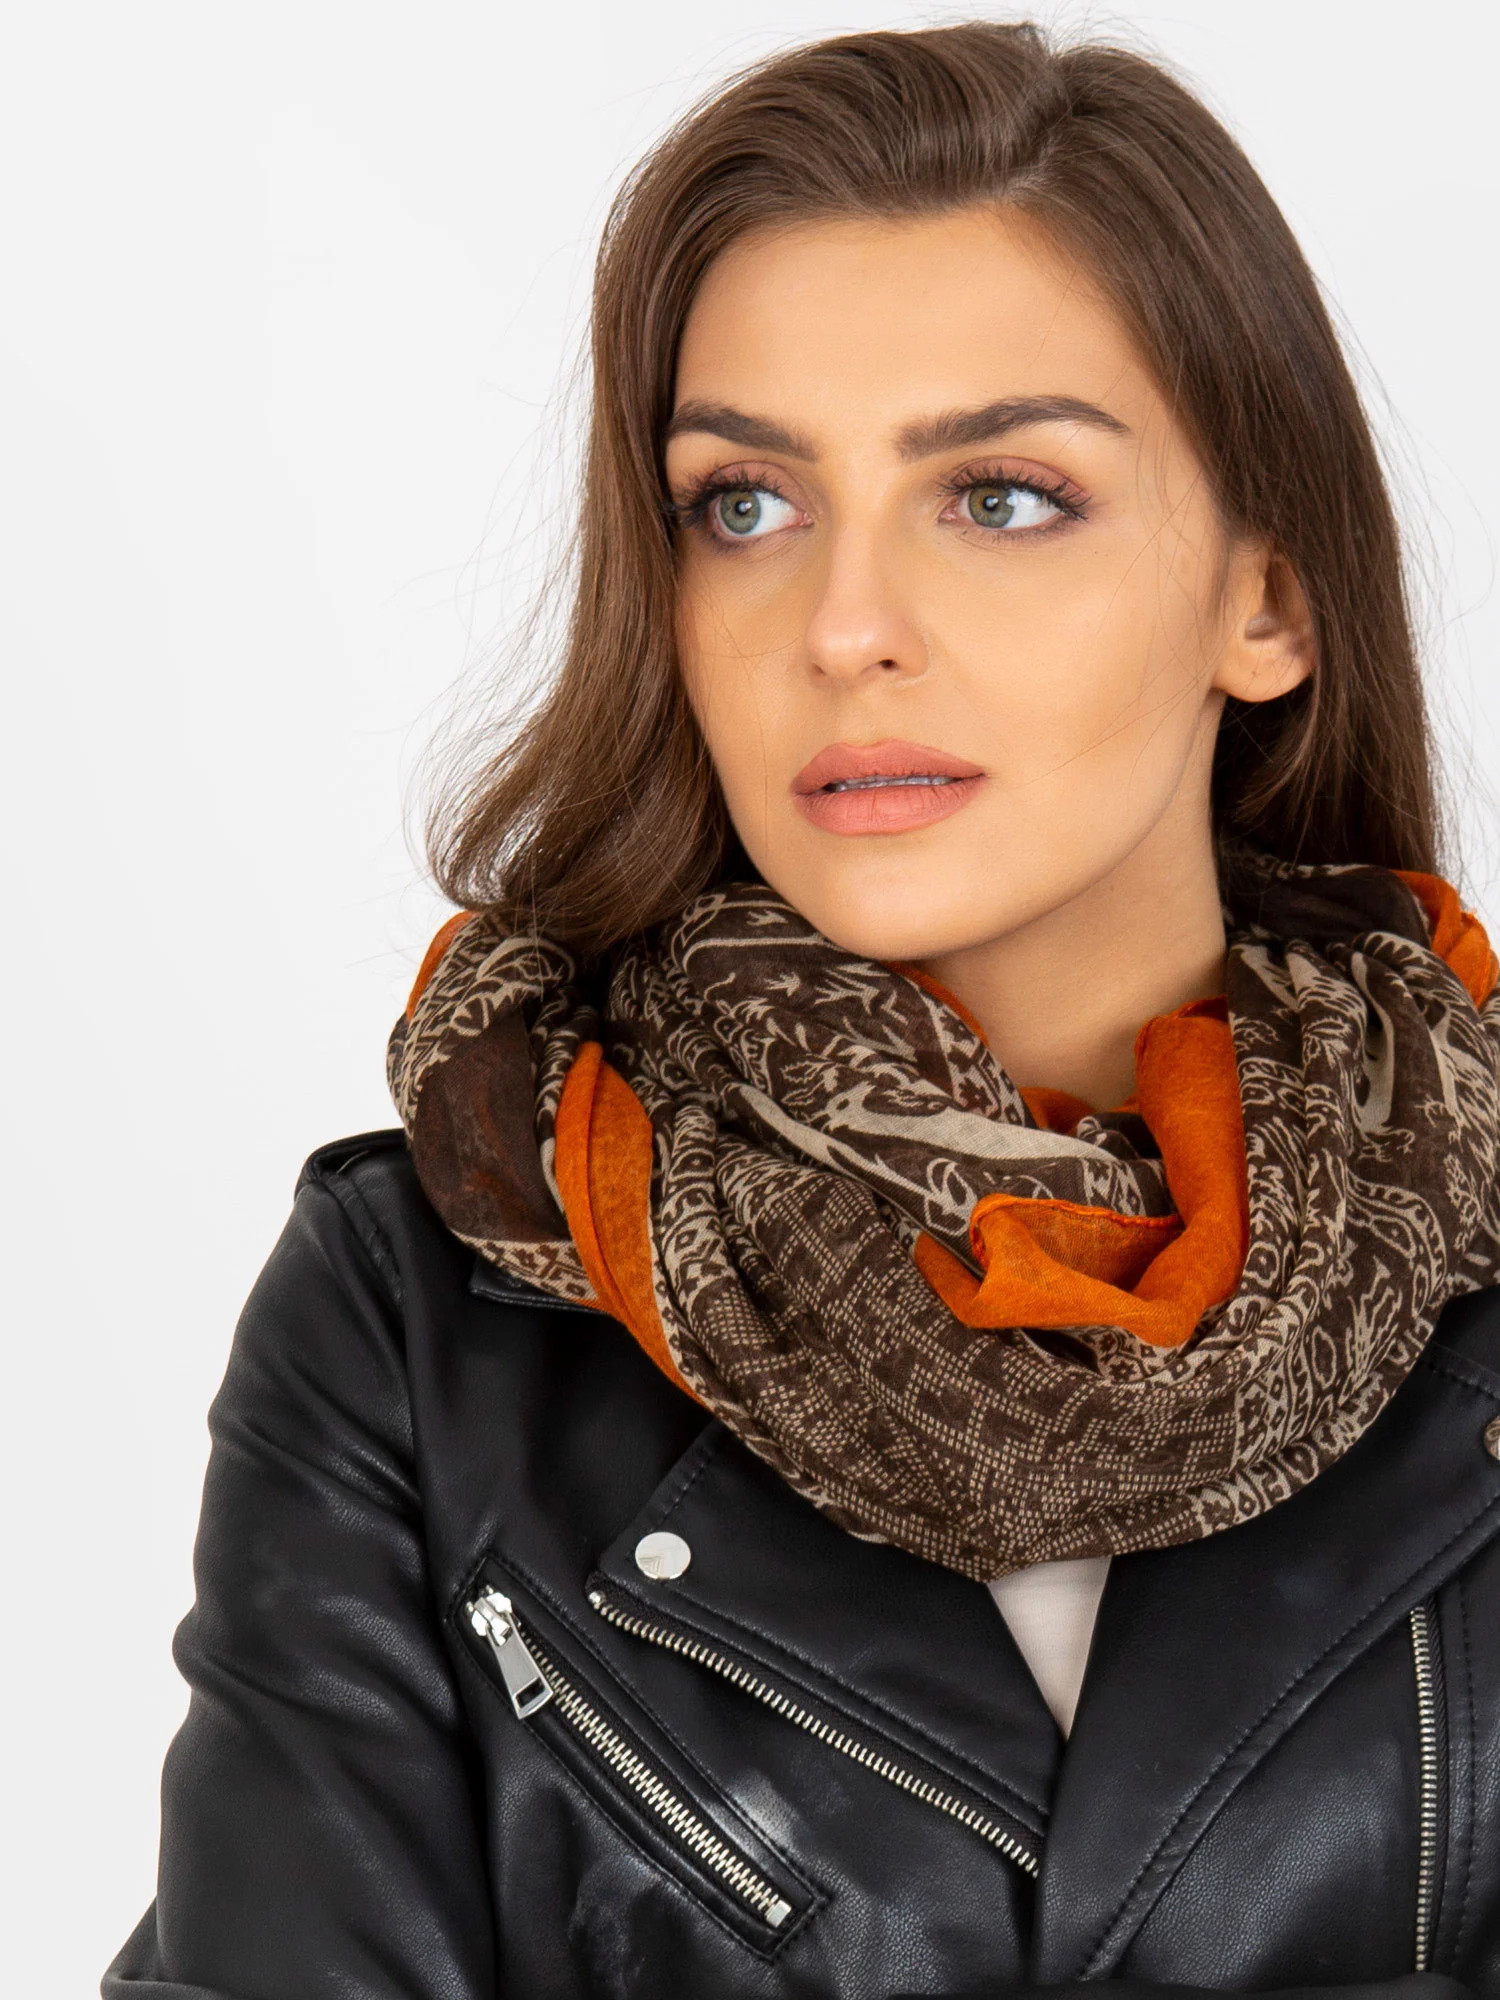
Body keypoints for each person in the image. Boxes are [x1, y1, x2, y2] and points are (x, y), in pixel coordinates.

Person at [105, 20, 1500, 2000]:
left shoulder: (1467, 1240)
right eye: (745, 504)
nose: (844, 626)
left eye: (1001, 496)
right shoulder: (420, 1318)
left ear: (1266, 598)